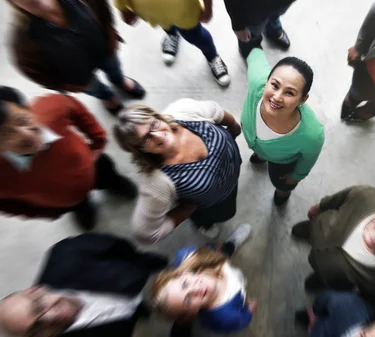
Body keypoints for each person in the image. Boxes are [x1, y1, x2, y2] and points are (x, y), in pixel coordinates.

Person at [0, 86, 136, 231]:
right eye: (7, 134)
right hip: (63, 200)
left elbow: (73, 107)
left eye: (22, 120)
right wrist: (42, 212)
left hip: (94, 164)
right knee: (77, 204)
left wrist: (98, 139)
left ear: (28, 109)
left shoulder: (52, 107)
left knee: (108, 175)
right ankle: (82, 207)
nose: (26, 135)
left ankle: (115, 183)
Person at [113, 99, 242, 243]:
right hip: (214, 203)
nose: (158, 135)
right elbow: (145, 233)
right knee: (219, 215)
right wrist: (184, 211)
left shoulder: (183, 111)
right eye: (145, 139)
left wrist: (234, 126)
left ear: (157, 116)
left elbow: (216, 111)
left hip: (232, 179)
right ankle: (205, 224)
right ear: (139, 150)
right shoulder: (156, 181)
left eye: (154, 125)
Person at [0, 233, 168, 337]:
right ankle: (138, 310)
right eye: (37, 329)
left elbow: (118, 246)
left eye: (39, 307)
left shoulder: (66, 253)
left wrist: (142, 260)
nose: (51, 316)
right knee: (138, 311)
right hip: (123, 322)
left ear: (35, 290)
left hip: (137, 271)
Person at [7, 0, 145, 115]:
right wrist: (62, 85)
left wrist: (110, 32)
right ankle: (106, 95)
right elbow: (33, 70)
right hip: (78, 77)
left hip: (104, 50)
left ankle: (119, 80)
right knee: (95, 88)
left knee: (114, 67)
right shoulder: (23, 39)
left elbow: (102, 9)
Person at [242, 48, 325, 205]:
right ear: (267, 80)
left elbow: (308, 159)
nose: (277, 97)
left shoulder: (312, 134)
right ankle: (260, 155)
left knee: (281, 182)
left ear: (302, 100)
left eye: (289, 93)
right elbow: (255, 55)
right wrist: (252, 45)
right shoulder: (256, 82)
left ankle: (282, 193)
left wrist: (296, 176)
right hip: (261, 148)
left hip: (282, 163)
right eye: (274, 85)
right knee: (260, 148)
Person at [150, 223, 254, 337]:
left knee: (224, 253)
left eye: (185, 284)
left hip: (219, 261)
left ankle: (232, 243)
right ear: (192, 313)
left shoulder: (189, 257)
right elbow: (241, 321)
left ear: (184, 273)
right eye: (188, 300)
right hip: (237, 289)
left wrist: (214, 250)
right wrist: (248, 311)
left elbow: (204, 251)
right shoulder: (227, 317)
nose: (195, 289)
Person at [114, 0, 230, 86]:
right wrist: (122, 8)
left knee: (196, 35)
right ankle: (172, 35)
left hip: (184, 11)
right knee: (166, 26)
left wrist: (208, 7)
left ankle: (212, 56)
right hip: (152, 12)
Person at [294, 291, 375, 337]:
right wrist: (314, 312)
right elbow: (328, 297)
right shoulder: (347, 307)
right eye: (362, 335)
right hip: (322, 323)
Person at [224, 0, 295, 58]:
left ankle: (272, 26)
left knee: (275, 14)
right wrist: (238, 25)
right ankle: (251, 45)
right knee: (252, 33)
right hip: (253, 9)